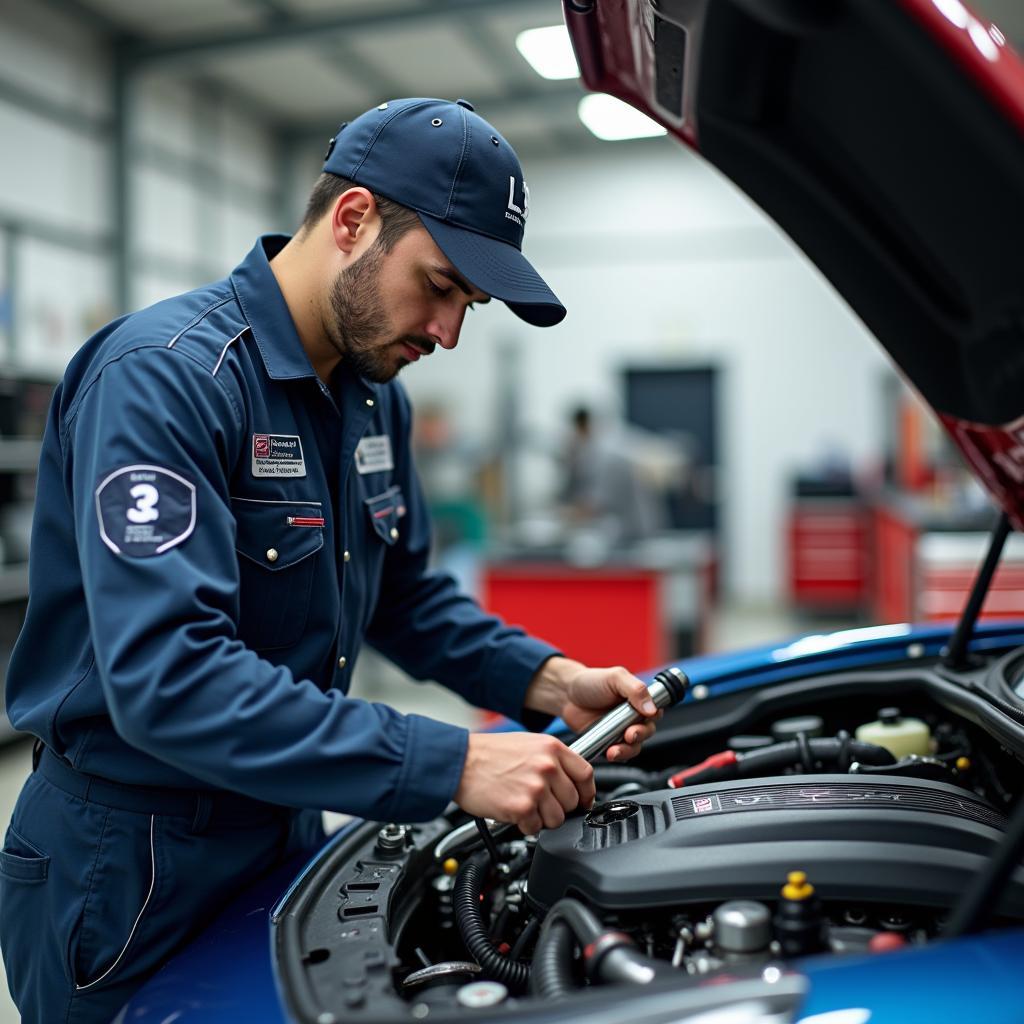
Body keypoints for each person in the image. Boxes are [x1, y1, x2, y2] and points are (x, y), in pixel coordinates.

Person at [0, 98, 660, 1023]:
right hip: (130, 859)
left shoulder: (370, 397)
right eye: (437, 285)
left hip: (286, 822)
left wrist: (548, 680)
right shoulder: (165, 379)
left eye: (467, 306)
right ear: (352, 221)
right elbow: (166, 676)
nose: (448, 332)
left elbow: (407, 599)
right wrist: (451, 762)